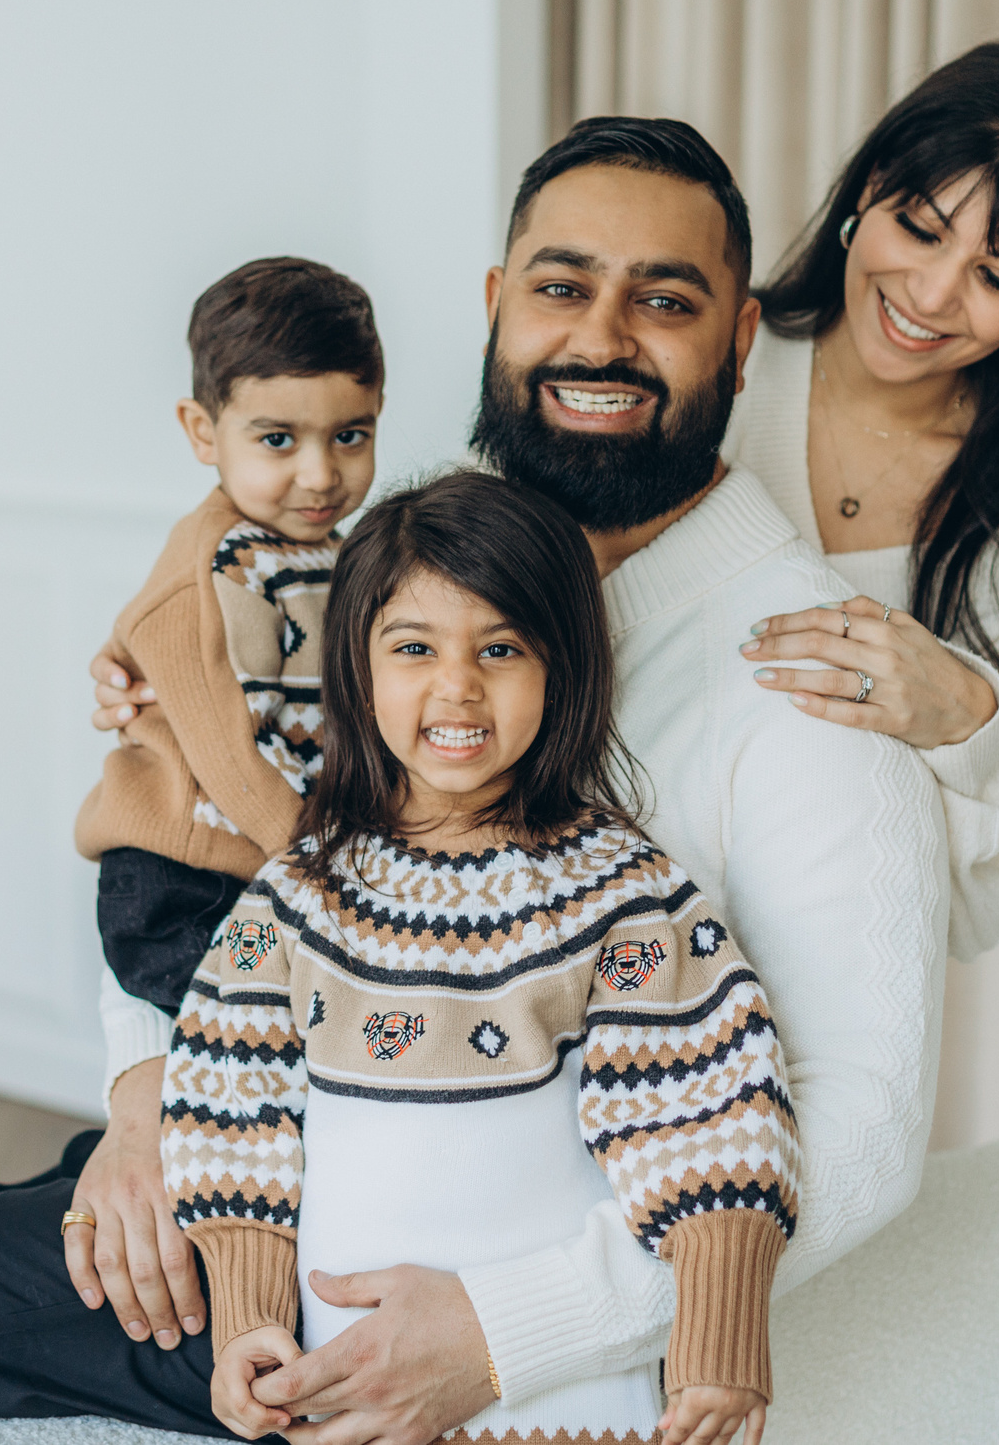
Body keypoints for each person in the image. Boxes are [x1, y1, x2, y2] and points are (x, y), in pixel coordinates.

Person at [0, 118, 999, 1444]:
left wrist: (503, 1327)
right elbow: (209, 845)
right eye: (561, 285)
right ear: (498, 307)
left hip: (497, 1273)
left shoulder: (815, 682)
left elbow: (863, 1128)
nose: (601, 335)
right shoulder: (391, 563)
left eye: (665, 300)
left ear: (737, 341)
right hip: (274, 1141)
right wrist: (148, 1095)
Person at [168, 470, 795, 1445]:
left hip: (567, 1405)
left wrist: (720, 1343)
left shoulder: (618, 897)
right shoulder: (300, 898)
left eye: (499, 649)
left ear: (563, 668)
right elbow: (229, 1111)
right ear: (358, 670)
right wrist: (248, 1316)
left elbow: (711, 1120)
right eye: (413, 648)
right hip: (346, 1390)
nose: (456, 685)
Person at [728, 42, 999, 989]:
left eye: (998, 277)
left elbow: (970, 917)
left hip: (837, 1005)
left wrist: (966, 721)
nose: (932, 295)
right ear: (871, 189)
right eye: (921, 228)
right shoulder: (709, 369)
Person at [74, 257, 382, 1051]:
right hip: (184, 876)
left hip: (271, 858)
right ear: (203, 431)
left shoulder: (335, 552)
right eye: (277, 439)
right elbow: (234, 752)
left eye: (350, 435)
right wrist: (329, 871)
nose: (320, 473)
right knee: (260, 1058)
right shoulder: (222, 563)